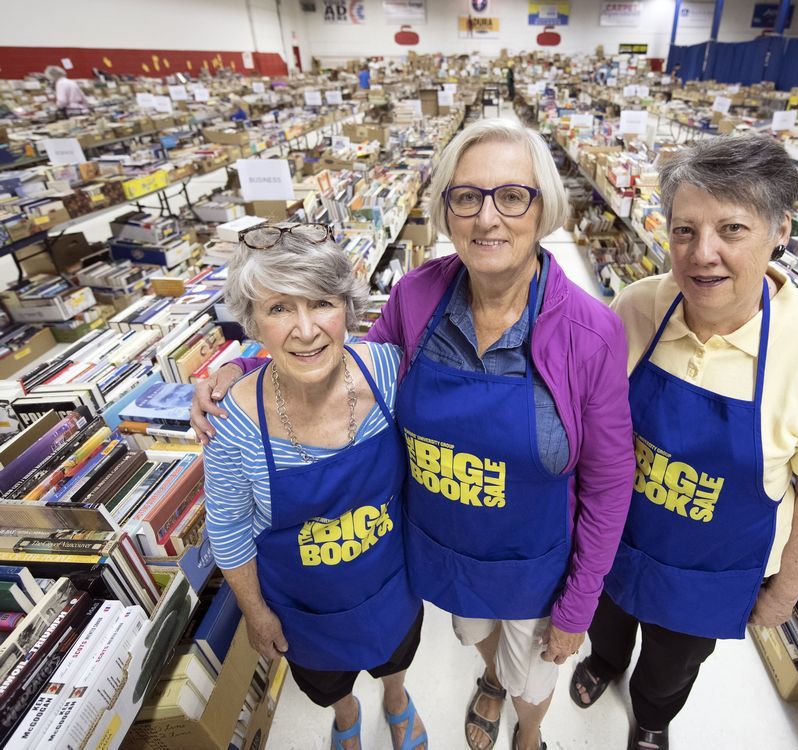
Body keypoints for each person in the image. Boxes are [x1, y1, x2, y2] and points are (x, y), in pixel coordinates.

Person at [192, 119, 635, 750]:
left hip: (535, 566)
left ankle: (530, 734)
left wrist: (579, 606)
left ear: (545, 209)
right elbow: (340, 361)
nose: (488, 218)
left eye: (513, 196)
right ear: (446, 210)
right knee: (481, 643)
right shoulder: (418, 295)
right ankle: (488, 681)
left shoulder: (590, 332)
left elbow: (612, 481)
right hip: (440, 552)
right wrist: (242, 370)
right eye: (467, 197)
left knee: (534, 675)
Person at [569, 134, 798, 750]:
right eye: (684, 230)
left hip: (710, 571)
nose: (702, 254)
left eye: (732, 229)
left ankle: (652, 717)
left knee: (674, 663)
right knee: (609, 620)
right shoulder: (636, 307)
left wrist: (785, 593)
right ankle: (603, 663)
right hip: (619, 540)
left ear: (780, 229)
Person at [202, 224, 427, 750]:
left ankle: (396, 701)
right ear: (252, 321)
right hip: (304, 610)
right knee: (328, 684)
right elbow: (229, 526)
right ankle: (346, 714)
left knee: (397, 657)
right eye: (279, 308)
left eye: (321, 302)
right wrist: (256, 614)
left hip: (391, 585)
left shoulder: (389, 374)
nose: (305, 330)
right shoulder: (232, 422)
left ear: (346, 308)